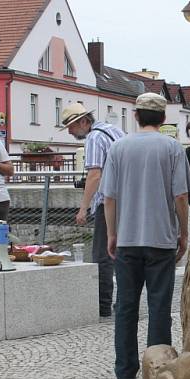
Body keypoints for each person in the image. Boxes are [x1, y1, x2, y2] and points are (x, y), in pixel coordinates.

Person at [101, 93, 190, 379]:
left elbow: (109, 198)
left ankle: (125, 372)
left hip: (128, 239)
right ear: (163, 119)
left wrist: (112, 233)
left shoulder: (118, 147)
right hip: (161, 240)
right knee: (159, 306)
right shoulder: (172, 148)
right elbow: (180, 195)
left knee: (126, 306)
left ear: (136, 116)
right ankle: (158, 372)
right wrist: (183, 231)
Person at [60, 101, 124, 320]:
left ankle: (103, 306)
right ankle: (124, 302)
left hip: (108, 201)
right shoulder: (114, 130)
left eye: (71, 126)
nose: (69, 131)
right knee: (123, 253)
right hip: (127, 199)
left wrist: (83, 208)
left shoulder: (95, 138)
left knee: (102, 255)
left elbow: (94, 175)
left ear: (84, 122)